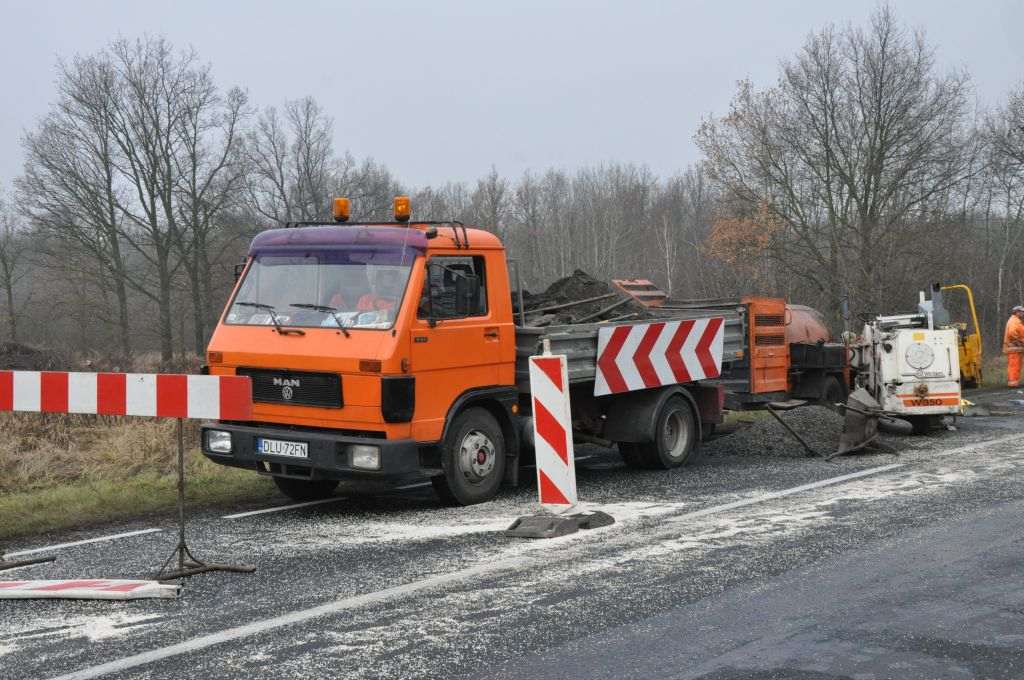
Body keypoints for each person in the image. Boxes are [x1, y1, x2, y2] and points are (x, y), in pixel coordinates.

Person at [1003, 305, 1024, 387]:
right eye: (1022, 312)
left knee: (1016, 365)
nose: (1023, 313)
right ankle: (1013, 383)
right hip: (1013, 348)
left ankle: (1014, 382)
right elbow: (1012, 333)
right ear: (1017, 312)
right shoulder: (1014, 321)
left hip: (1016, 348)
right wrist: (1020, 341)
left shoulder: (1016, 321)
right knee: (1014, 365)